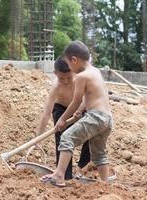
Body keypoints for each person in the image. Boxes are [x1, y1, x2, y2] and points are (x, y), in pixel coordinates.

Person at [41, 41, 113, 187]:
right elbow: (89, 98)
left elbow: (75, 101)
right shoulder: (96, 72)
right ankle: (106, 184)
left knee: (66, 137)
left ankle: (59, 176)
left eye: (69, 64)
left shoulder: (81, 76)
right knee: (99, 153)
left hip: (95, 117)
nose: (70, 69)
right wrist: (80, 111)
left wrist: (62, 119)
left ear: (74, 60)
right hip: (107, 119)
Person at [35, 56, 90, 180]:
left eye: (69, 77)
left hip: (81, 108)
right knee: (62, 139)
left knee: (91, 132)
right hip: (61, 109)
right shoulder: (56, 87)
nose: (65, 81)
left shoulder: (81, 79)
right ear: (55, 74)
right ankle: (65, 175)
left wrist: (80, 109)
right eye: (61, 78)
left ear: (74, 71)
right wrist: (38, 137)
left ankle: (83, 167)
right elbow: (46, 113)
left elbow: (89, 97)